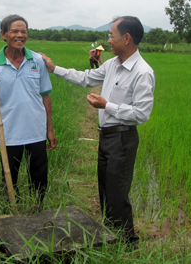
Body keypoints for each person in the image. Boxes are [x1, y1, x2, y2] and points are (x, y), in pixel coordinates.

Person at [40, 16, 155, 249]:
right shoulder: (112, 64)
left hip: (123, 138)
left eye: (111, 36)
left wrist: (107, 106)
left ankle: (127, 242)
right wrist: (54, 69)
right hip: (107, 136)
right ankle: (110, 235)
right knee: (104, 188)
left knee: (117, 191)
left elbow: (142, 114)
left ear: (127, 38)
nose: (108, 41)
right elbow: (85, 78)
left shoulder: (142, 72)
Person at [0, 14, 57, 203]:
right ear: (3, 34)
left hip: (36, 130)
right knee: (8, 177)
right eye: (15, 31)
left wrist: (50, 129)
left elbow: (45, 96)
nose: (20, 35)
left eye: (24, 31)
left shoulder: (37, 61)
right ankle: (12, 212)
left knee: (39, 178)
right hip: (8, 131)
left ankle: (37, 209)